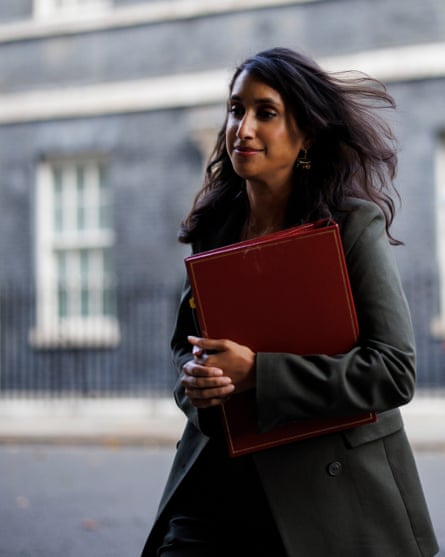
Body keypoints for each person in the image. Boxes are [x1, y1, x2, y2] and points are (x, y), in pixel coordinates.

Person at [141, 47, 439, 557]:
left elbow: (393, 371)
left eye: (266, 112)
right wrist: (198, 382)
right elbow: (185, 346)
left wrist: (259, 372)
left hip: (324, 493)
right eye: (236, 109)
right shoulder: (214, 227)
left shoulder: (350, 225)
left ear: (305, 134)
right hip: (216, 481)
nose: (244, 128)